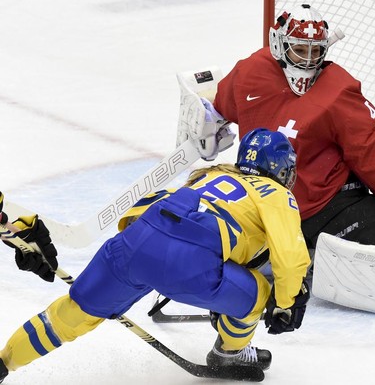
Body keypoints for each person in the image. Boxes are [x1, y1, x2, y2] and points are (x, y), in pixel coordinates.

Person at [0, 128, 311, 383]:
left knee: (68, 315)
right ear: (281, 169)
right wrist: (286, 303)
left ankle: (5, 364)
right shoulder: (276, 193)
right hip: (190, 266)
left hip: (136, 242)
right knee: (261, 293)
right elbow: (290, 255)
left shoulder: (210, 175)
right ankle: (229, 354)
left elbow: (141, 211)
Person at [183, 3, 375, 251]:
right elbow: (220, 105)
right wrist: (205, 120)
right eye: (299, 50)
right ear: (279, 44)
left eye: (315, 51)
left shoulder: (337, 89)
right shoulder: (249, 73)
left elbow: (372, 143)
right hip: (264, 210)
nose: (308, 60)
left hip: (326, 205)